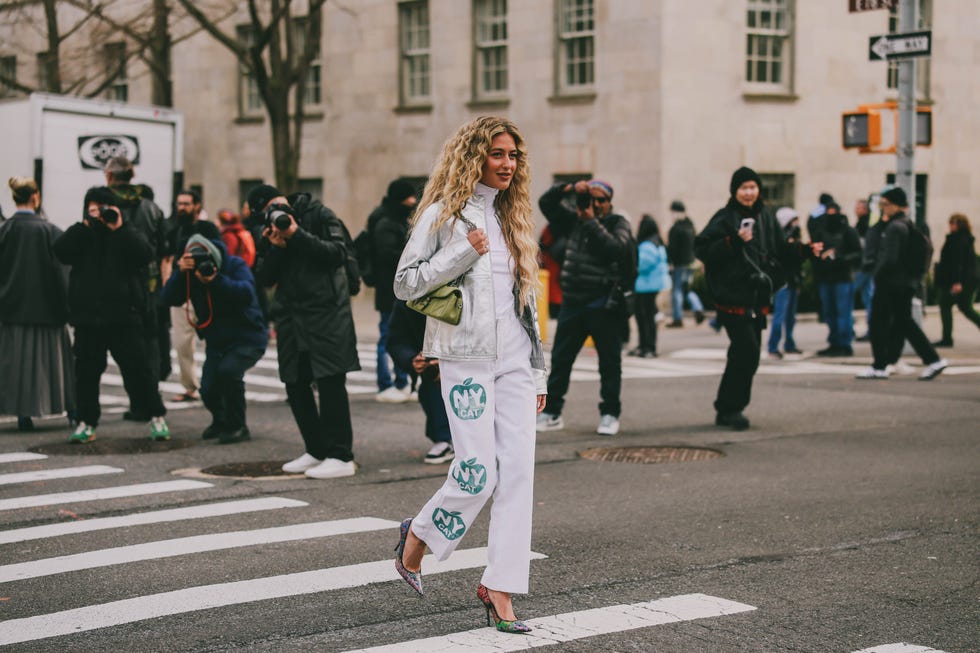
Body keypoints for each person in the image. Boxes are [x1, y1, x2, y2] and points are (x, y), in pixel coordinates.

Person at [391, 116, 546, 633]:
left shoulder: (513, 217)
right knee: (478, 472)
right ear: (474, 156)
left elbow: (528, 301)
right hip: (466, 358)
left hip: (517, 361)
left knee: (519, 476)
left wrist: (539, 373)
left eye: (514, 156)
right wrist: (463, 251)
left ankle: (500, 587)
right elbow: (405, 284)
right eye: (498, 154)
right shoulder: (444, 214)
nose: (508, 164)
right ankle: (419, 533)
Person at [251, 185, 361, 478]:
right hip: (290, 315)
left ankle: (341, 455)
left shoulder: (320, 214)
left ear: (285, 200)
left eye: (276, 205)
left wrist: (296, 235)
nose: (275, 214)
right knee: (295, 382)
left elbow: (336, 253)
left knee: (329, 381)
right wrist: (276, 246)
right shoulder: (266, 230)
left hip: (327, 313)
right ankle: (316, 449)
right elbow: (263, 277)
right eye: (267, 211)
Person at [53, 187, 169, 443]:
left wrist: (119, 226)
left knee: (138, 371)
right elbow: (60, 251)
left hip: (123, 318)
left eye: (103, 208)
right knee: (86, 373)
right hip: (88, 319)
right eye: (92, 209)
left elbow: (146, 254)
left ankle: (156, 416)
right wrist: (84, 225)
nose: (99, 215)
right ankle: (86, 422)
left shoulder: (125, 233)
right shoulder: (82, 234)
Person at [535, 179, 633, 436]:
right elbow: (545, 203)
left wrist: (591, 221)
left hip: (604, 304)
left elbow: (617, 249)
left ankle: (610, 414)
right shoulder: (573, 220)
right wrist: (568, 188)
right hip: (573, 303)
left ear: (610, 202)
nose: (596, 204)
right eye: (592, 199)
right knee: (561, 360)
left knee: (609, 363)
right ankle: (552, 412)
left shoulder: (617, 223)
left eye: (602, 200)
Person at [695, 167, 787, 430]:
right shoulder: (725, 218)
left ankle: (730, 406)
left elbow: (780, 249)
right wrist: (733, 242)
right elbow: (702, 248)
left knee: (748, 354)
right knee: (745, 351)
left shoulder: (766, 217)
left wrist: (805, 251)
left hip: (756, 297)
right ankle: (729, 408)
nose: (749, 193)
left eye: (753, 187)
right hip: (731, 297)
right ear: (734, 191)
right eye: (743, 188)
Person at [162, 235, 267, 444]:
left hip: (247, 336)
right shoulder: (190, 274)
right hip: (217, 340)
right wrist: (180, 273)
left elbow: (246, 293)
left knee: (229, 373)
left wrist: (216, 280)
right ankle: (221, 421)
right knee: (208, 388)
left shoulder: (234, 265)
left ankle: (238, 426)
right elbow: (168, 298)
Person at [0, 177, 75, 431]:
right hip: (49, 310)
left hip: (11, 310)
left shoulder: (4, 231)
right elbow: (64, 273)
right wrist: (67, 306)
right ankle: (71, 410)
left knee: (15, 364)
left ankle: (23, 414)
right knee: (56, 364)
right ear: (36, 197)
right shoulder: (51, 231)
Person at [856, 187, 947, 380]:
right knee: (902, 322)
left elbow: (889, 258)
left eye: (885, 204)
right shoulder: (907, 224)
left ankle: (881, 365)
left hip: (890, 283)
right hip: (905, 282)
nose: (883, 208)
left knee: (879, 323)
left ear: (896, 205)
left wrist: (877, 275)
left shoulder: (894, 227)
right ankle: (927, 359)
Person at [104, 155, 171, 410]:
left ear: (109, 176)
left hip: (117, 284)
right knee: (150, 341)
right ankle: (150, 394)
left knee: (124, 342)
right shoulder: (151, 207)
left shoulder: (105, 205)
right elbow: (164, 248)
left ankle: (138, 401)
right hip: (150, 284)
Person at [164, 190, 221, 403]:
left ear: (197, 205)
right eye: (179, 203)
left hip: (205, 290)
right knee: (181, 343)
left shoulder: (208, 228)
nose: (182, 208)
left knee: (212, 340)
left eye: (186, 203)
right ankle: (190, 386)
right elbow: (167, 258)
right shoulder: (173, 230)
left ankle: (213, 383)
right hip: (182, 292)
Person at [386, 299, 454, 464]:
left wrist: (448, 361)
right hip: (429, 361)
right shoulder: (407, 299)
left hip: (464, 358)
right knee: (431, 384)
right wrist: (411, 359)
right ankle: (443, 439)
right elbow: (396, 340)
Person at [368, 179, 418, 403]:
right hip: (389, 291)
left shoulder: (395, 220)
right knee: (387, 337)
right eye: (409, 197)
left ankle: (400, 383)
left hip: (399, 290)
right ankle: (385, 384)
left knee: (399, 336)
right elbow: (387, 256)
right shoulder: (385, 222)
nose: (413, 201)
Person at [810, 203, 862, 357]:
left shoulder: (848, 231)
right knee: (830, 313)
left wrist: (840, 258)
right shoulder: (821, 231)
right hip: (826, 278)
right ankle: (834, 342)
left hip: (842, 278)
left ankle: (844, 343)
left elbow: (857, 253)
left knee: (843, 312)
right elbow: (814, 253)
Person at [932, 213, 980, 347]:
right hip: (962, 281)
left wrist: (957, 282)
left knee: (956, 306)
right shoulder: (962, 239)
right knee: (962, 307)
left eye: (953, 223)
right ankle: (946, 338)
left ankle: (947, 339)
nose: (950, 226)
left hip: (959, 281)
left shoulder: (959, 240)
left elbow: (958, 263)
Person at [767, 207, 806, 358]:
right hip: (782, 281)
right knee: (780, 315)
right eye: (794, 221)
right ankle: (773, 346)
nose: (797, 224)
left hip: (793, 280)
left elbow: (799, 259)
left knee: (790, 317)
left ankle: (789, 343)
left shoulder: (795, 237)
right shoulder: (778, 238)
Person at [629, 214, 670, 358]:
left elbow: (642, 265)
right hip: (654, 284)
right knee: (648, 317)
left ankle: (646, 346)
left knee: (643, 317)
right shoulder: (658, 241)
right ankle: (647, 346)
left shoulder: (646, 245)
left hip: (645, 285)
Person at [665, 200, 705, 327]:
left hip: (680, 264)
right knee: (686, 289)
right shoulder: (690, 226)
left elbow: (672, 248)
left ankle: (678, 318)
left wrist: (670, 262)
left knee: (677, 290)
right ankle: (698, 309)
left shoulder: (676, 228)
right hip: (691, 263)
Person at [853, 198, 877, 341]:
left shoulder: (864, 224)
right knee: (868, 298)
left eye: (858, 207)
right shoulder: (868, 223)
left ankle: (849, 328)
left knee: (848, 293)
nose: (856, 210)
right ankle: (871, 329)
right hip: (868, 265)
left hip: (863, 266)